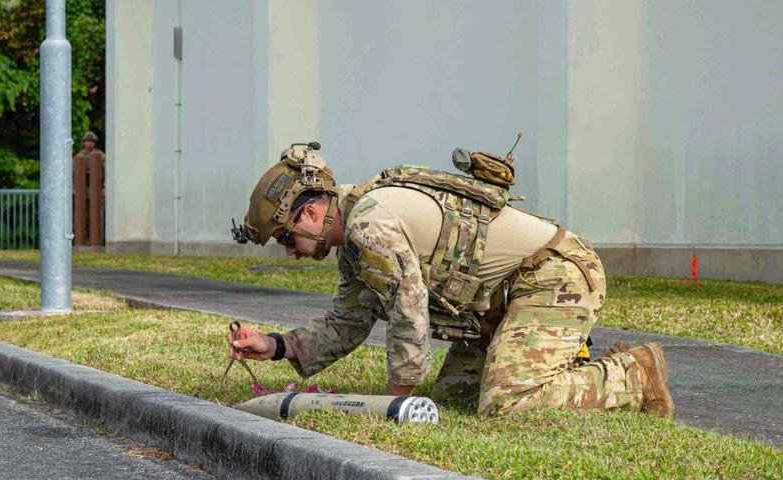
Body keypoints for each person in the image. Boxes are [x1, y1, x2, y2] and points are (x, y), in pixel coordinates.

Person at [227, 142, 674, 418]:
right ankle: (555, 362)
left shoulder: (369, 225)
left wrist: (393, 403)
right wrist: (276, 345)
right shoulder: (354, 238)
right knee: (454, 395)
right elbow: (346, 323)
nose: (289, 249)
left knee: (504, 403)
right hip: (499, 301)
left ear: (309, 211)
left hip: (553, 276)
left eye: (286, 237)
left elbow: (409, 310)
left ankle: (633, 375)